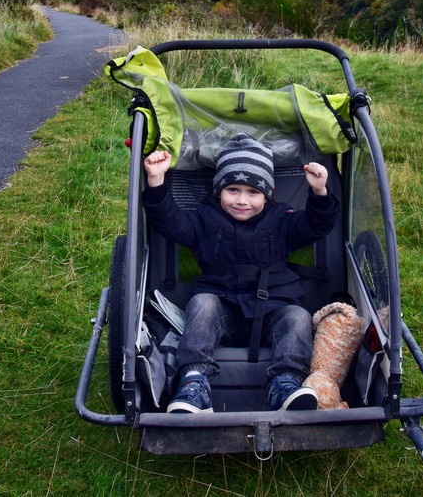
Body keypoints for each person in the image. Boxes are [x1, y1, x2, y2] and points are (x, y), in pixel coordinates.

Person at [142, 133, 339, 413]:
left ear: (267, 195)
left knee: (298, 317)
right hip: (223, 309)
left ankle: (285, 384)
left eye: (252, 192)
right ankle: (194, 383)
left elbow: (316, 226)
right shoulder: (203, 218)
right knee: (202, 303)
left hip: (274, 306)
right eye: (232, 190)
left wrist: (319, 191)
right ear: (218, 190)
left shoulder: (282, 218)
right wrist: (156, 181)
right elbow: (168, 220)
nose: (242, 200)